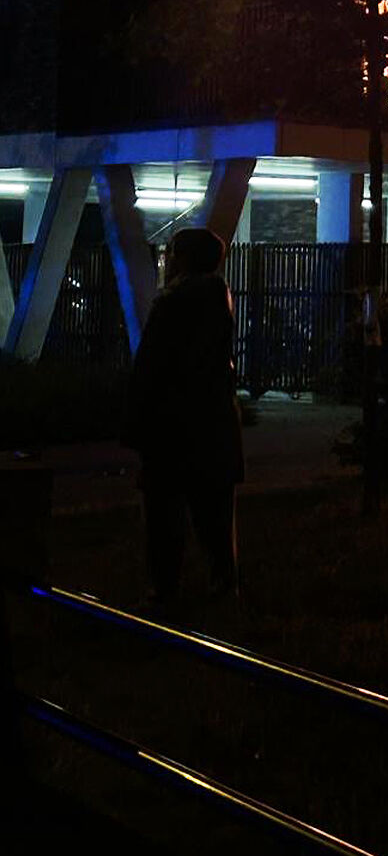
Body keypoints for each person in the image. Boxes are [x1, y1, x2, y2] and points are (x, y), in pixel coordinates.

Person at [123, 226, 243, 611]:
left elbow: (150, 368)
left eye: (171, 253)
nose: (167, 261)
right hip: (214, 424)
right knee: (215, 516)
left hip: (171, 427)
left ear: (184, 258)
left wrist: (137, 422)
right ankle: (224, 587)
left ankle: (164, 591)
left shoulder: (172, 303)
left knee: (164, 515)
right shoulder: (220, 299)